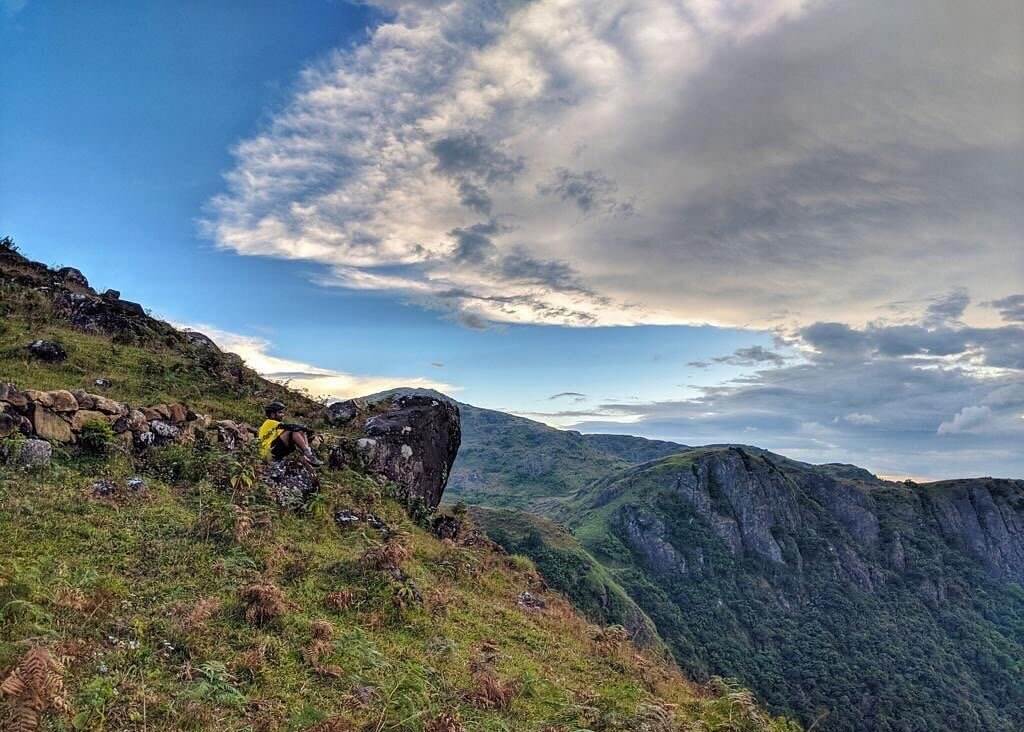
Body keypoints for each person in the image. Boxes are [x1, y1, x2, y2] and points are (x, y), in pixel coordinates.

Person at [258, 401, 323, 466]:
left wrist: (303, 430)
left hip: (274, 450)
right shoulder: (270, 422)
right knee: (293, 431)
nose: (282, 414)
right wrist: (304, 428)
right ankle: (308, 455)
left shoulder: (275, 426)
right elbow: (290, 427)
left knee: (301, 431)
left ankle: (308, 454)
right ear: (272, 414)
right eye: (280, 412)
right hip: (268, 452)